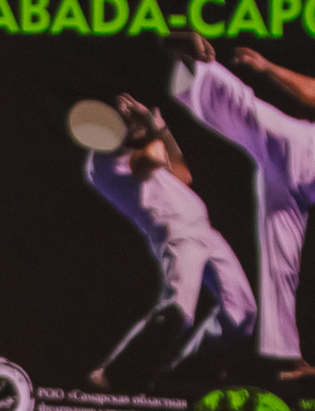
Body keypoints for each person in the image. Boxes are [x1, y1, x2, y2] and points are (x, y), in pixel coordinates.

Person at [169, 33, 315, 375]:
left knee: (282, 268)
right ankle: (202, 65)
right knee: (249, 113)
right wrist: (269, 68)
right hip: (297, 146)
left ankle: (285, 359)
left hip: (295, 193)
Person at [82, 95, 255, 391]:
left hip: (206, 232)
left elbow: (183, 174)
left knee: (242, 313)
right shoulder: (102, 162)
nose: (132, 122)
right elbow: (155, 157)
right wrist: (153, 127)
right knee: (177, 310)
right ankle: (111, 375)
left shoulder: (137, 148)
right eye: (126, 119)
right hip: (179, 237)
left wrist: (157, 128)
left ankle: (181, 371)